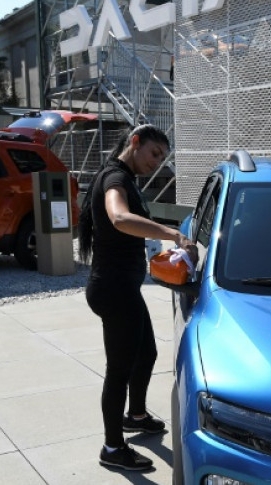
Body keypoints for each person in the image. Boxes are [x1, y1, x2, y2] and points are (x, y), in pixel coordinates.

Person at [77, 124, 193, 471]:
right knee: (119, 370)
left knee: (147, 353)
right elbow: (119, 217)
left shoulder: (125, 178)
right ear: (135, 142)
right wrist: (171, 233)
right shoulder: (115, 178)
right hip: (112, 290)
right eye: (155, 154)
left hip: (122, 287)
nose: (157, 163)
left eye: (162, 159)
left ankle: (136, 415)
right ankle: (112, 448)